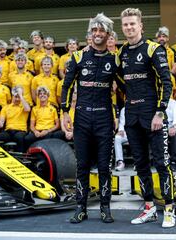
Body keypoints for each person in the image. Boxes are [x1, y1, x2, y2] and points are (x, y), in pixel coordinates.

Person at [118, 8, 175, 228]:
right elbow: (121, 81)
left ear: (141, 26)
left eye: (133, 24)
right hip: (132, 117)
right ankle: (149, 207)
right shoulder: (122, 52)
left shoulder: (154, 49)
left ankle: (169, 209)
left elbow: (166, 83)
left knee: (162, 163)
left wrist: (160, 112)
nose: (129, 27)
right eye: (125, 25)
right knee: (141, 165)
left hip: (154, 117)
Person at [61, 13, 118, 224]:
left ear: (108, 34)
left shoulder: (115, 59)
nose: (97, 34)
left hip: (104, 118)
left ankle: (105, 208)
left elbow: (124, 88)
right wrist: (65, 111)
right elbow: (66, 85)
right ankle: (80, 207)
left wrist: (119, 114)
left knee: (104, 166)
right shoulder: (78, 57)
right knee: (82, 166)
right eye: (94, 30)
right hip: (82, 118)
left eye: (101, 30)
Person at [0, 86, 30, 152]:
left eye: (19, 97)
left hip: (20, 131)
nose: (17, 99)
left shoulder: (24, 106)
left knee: (19, 138)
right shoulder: (6, 107)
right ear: (12, 96)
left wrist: (21, 96)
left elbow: (27, 109)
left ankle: (21, 157)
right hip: (8, 131)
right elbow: (2, 120)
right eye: (15, 97)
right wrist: (0, 123)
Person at [156, 26, 176, 98]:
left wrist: (167, 77)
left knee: (169, 100)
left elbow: (174, 68)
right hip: (155, 80)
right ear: (157, 39)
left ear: (167, 38)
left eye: (164, 36)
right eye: (159, 36)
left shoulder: (172, 51)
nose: (161, 38)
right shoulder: (153, 50)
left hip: (168, 79)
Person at [166, 98, 176, 171]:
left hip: (171, 125)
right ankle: (162, 160)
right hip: (158, 126)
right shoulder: (153, 100)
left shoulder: (173, 102)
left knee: (174, 135)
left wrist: (174, 127)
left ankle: (174, 161)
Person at [114, 107, 128, 171]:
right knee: (117, 138)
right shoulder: (124, 109)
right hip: (127, 132)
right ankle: (120, 162)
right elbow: (122, 122)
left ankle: (138, 163)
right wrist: (121, 130)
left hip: (137, 132)